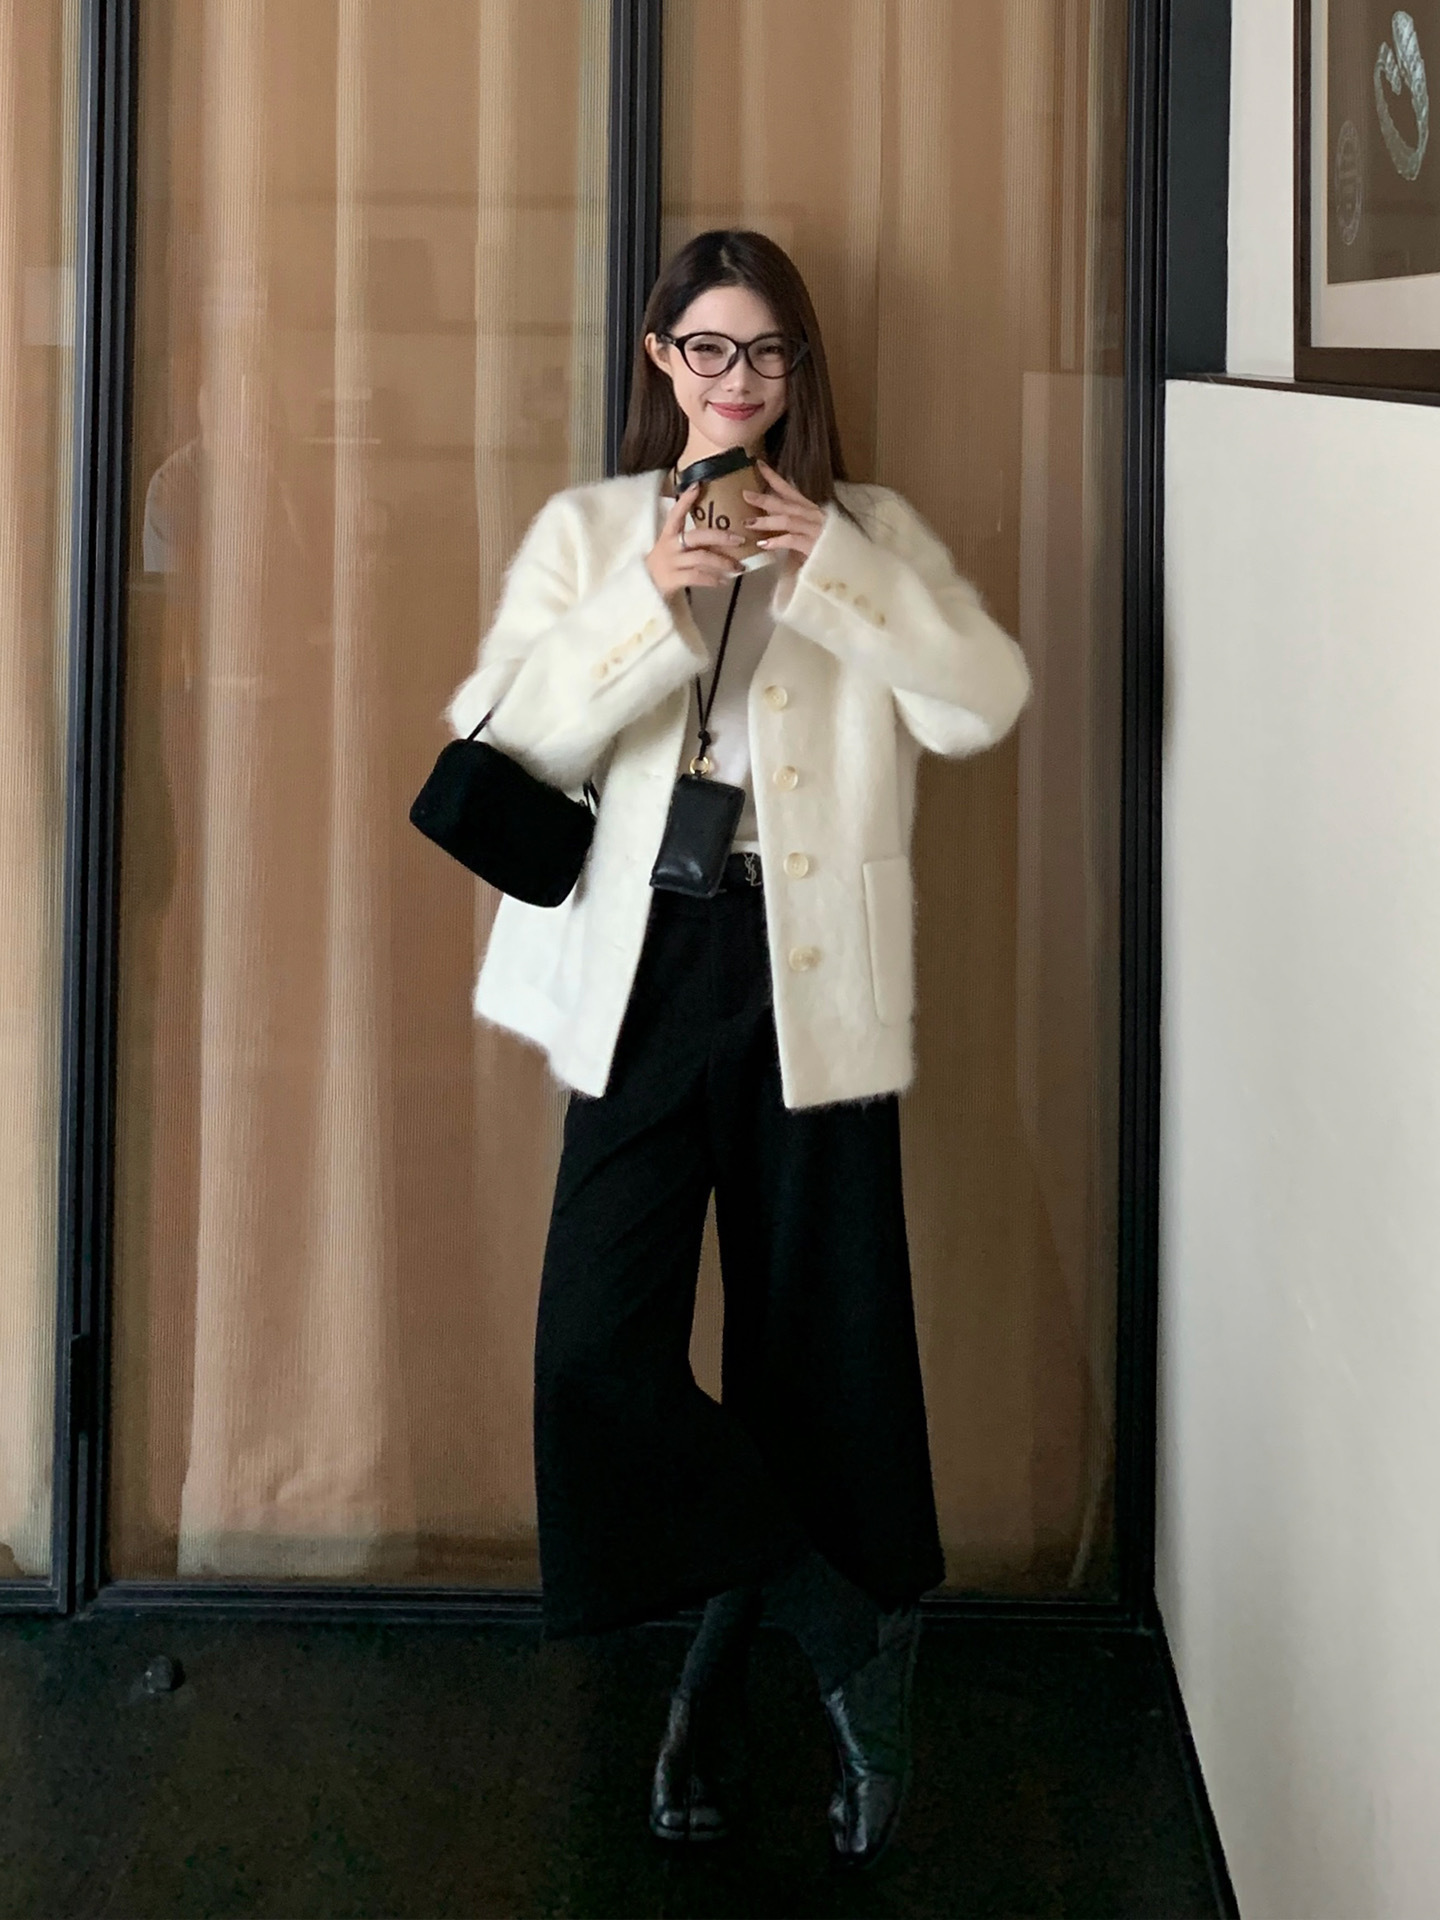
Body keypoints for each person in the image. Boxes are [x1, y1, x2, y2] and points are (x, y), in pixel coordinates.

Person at [445, 229, 1030, 1866]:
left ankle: (714, 1693)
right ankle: (842, 1619)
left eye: (767, 352)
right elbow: (498, 737)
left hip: (808, 969)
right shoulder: (591, 532)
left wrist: (831, 563)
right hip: (639, 969)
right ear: (661, 360)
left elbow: (979, 701)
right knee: (595, 1350)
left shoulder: (871, 528)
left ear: (799, 367)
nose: (739, 380)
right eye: (708, 349)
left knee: (816, 1354)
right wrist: (651, 595)